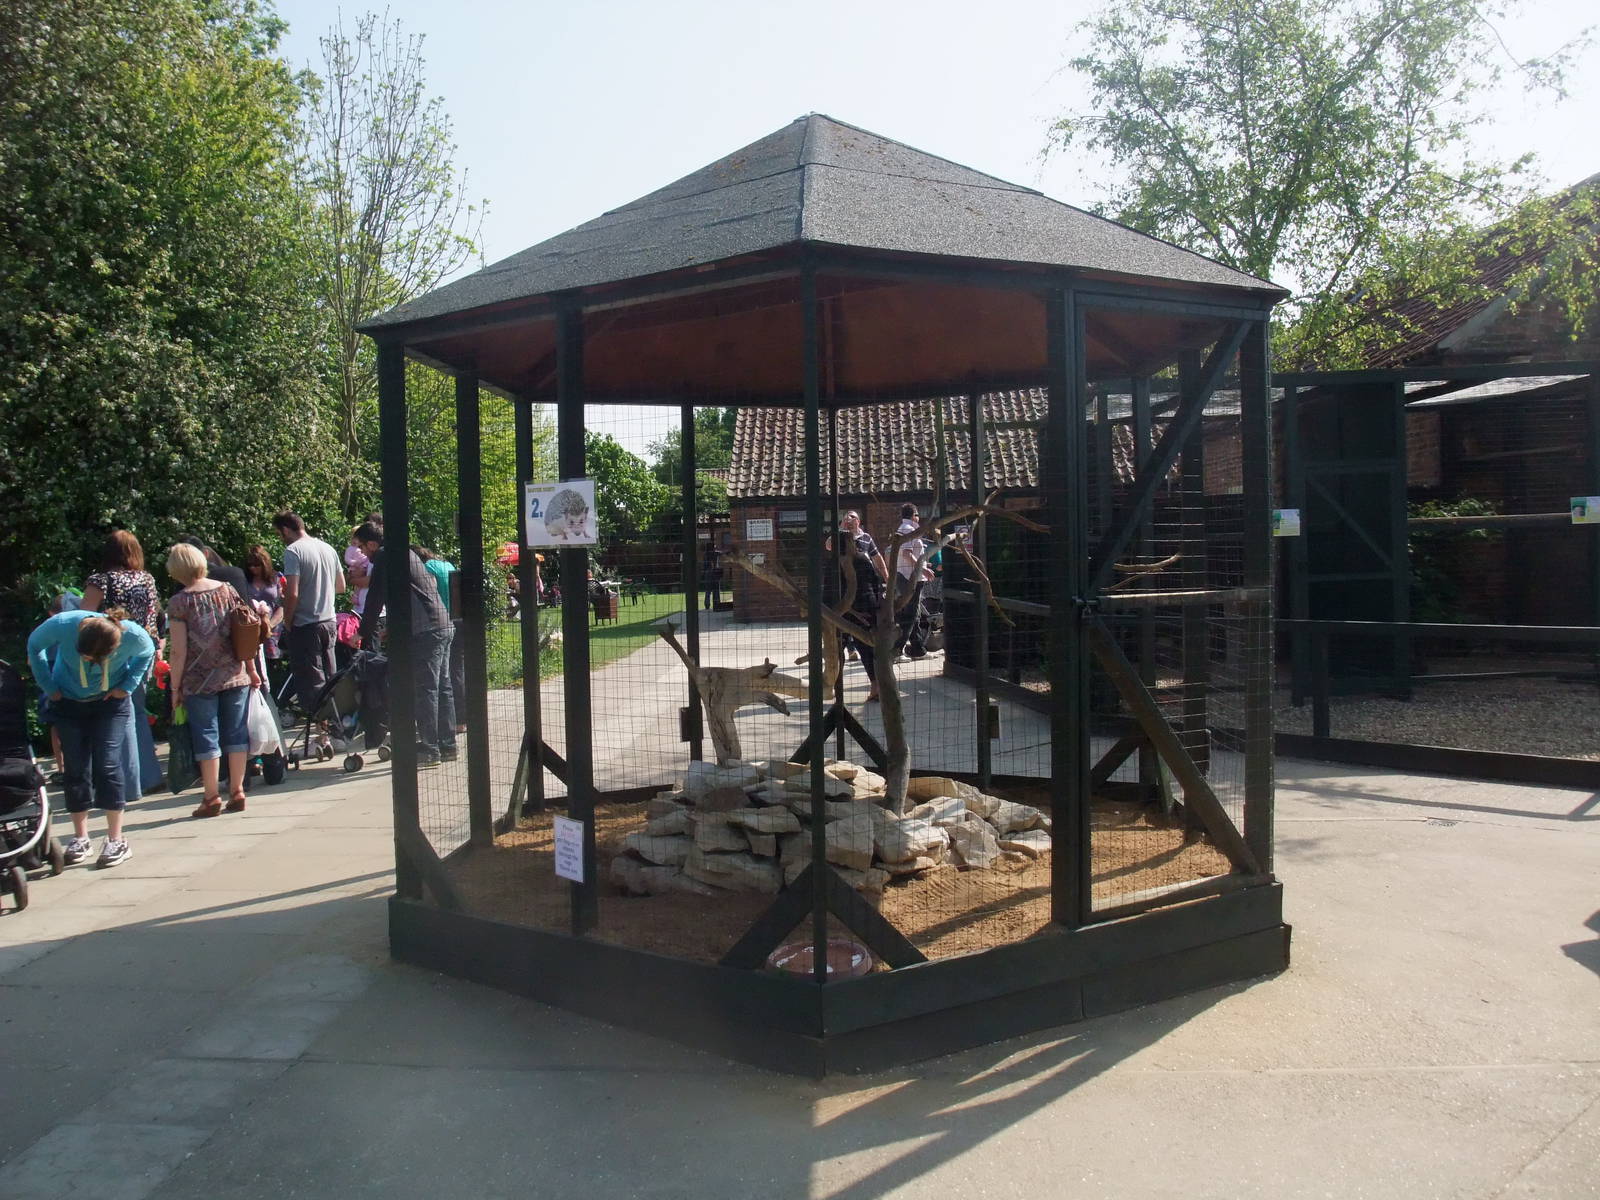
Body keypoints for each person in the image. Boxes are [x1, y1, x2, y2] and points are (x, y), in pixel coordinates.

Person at [27, 606, 155, 867]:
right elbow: (34, 645)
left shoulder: (134, 636)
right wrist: (49, 687)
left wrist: (127, 686)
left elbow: (148, 653)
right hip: (68, 703)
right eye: (84, 657)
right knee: (75, 767)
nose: (89, 662)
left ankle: (116, 839)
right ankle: (80, 837)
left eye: (95, 659)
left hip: (110, 704)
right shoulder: (63, 624)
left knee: (107, 765)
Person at [165, 543, 260, 817]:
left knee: (207, 736)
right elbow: (244, 632)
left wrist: (175, 687)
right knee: (236, 733)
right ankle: (238, 790)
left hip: (198, 679)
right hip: (234, 672)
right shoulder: (227, 590)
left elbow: (179, 650)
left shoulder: (179, 602)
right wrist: (251, 669)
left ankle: (211, 796)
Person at [355, 522, 454, 765]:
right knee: (442, 687)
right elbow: (411, 594)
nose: (363, 555)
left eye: (362, 548)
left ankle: (429, 750)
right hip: (441, 623)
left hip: (426, 630)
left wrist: (362, 633)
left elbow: (376, 597)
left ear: (372, 543)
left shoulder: (384, 556)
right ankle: (447, 745)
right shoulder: (405, 551)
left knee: (426, 689)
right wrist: (395, 627)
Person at [80, 530, 164, 794]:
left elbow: (83, 617)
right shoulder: (147, 579)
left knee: (109, 714)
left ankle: (118, 780)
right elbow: (155, 616)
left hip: (110, 653)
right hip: (143, 651)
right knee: (136, 712)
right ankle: (147, 777)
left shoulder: (100, 580)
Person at [273, 511, 345, 715]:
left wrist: (287, 620)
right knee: (331, 677)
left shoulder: (293, 551)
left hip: (306, 624)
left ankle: (321, 737)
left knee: (311, 682)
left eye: (279, 533)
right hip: (329, 621)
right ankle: (335, 729)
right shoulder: (327, 548)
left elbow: (293, 593)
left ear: (286, 529)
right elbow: (341, 586)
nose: (281, 538)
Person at [828, 510, 889, 702]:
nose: (848, 520)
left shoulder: (859, 550)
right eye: (845, 518)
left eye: (852, 517)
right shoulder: (856, 558)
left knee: (841, 648)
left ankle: (841, 689)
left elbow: (876, 570)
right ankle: (873, 686)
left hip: (851, 609)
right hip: (857, 608)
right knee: (859, 648)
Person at [415, 547, 464, 735]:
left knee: (443, 678)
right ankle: (461, 719)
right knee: (457, 670)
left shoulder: (427, 568)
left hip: (437, 621)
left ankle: (439, 726)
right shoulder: (447, 564)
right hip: (457, 618)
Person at [892, 503, 933, 659]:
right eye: (917, 515)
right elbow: (907, 554)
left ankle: (918, 649)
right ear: (913, 515)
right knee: (910, 614)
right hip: (910, 577)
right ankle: (897, 650)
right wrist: (923, 569)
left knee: (913, 613)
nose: (919, 518)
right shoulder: (909, 530)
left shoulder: (903, 529)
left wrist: (923, 565)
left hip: (908, 575)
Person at [243, 544, 285, 692]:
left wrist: (270, 625)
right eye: (250, 565)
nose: (253, 568)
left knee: (273, 668)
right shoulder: (244, 580)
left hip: (274, 628)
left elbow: (282, 604)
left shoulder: (276, 578)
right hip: (251, 629)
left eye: (257, 565)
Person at [700, 545, 723, 611]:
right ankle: (717, 604)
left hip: (708, 574)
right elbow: (722, 553)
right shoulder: (715, 553)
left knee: (708, 591)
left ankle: (707, 605)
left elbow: (704, 566)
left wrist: (703, 575)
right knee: (716, 590)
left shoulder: (705, 555)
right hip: (715, 573)